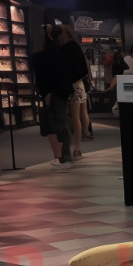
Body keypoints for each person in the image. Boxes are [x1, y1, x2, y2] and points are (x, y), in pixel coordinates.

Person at [31, 24, 74, 171]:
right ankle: (63, 157)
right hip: (58, 92)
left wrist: (48, 93)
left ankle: (65, 158)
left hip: (54, 93)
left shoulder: (45, 55)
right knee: (57, 124)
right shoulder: (57, 52)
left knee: (58, 125)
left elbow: (45, 76)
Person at [57, 24, 91, 159]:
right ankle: (78, 146)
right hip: (78, 84)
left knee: (75, 117)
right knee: (79, 114)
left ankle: (76, 148)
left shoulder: (66, 48)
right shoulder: (75, 47)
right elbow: (83, 69)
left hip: (73, 86)